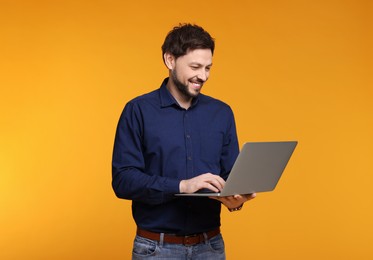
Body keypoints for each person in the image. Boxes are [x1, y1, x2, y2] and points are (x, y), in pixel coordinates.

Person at [112, 23, 256, 260]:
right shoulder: (138, 111)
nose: (203, 75)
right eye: (195, 66)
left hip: (210, 247)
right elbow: (123, 180)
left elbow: (230, 175)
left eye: (208, 67)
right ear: (170, 60)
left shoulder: (222, 113)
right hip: (156, 249)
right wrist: (182, 186)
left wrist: (236, 199)